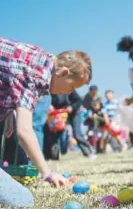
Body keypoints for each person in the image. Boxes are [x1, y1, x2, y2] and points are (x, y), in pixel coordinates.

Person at [0, 37, 92, 187]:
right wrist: (47, 173)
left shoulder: (42, 59)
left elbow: (8, 73)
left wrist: (9, 109)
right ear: (63, 73)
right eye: (73, 87)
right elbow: (24, 131)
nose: (69, 92)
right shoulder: (34, 76)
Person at [44, 90, 83, 160]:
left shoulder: (68, 88)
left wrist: (72, 107)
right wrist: (48, 105)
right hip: (55, 116)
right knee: (52, 135)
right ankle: (53, 155)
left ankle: (88, 151)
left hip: (70, 114)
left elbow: (78, 100)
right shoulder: (49, 90)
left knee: (73, 134)